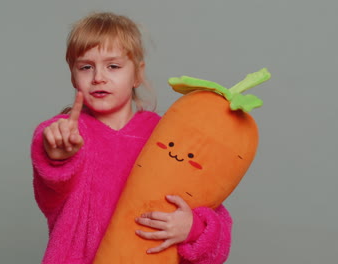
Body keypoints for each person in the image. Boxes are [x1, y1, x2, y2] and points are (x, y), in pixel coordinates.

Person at [31, 12, 232, 264]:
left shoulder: (168, 138)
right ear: (73, 76)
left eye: (113, 66)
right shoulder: (67, 135)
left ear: (137, 73)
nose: (98, 77)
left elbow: (216, 223)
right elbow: (51, 184)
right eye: (86, 67)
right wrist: (57, 155)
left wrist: (192, 228)